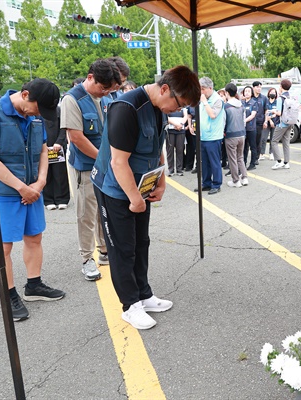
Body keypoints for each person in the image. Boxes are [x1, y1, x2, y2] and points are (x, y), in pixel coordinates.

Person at [91, 65, 201, 330]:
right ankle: (130, 305)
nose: (175, 111)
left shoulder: (157, 106)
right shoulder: (126, 108)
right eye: (178, 104)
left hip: (141, 186)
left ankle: (144, 293)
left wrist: (161, 182)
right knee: (122, 248)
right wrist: (134, 198)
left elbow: (157, 147)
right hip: (115, 189)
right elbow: (118, 163)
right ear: (165, 89)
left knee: (142, 242)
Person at [0, 78, 65, 321]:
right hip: (4, 192)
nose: (39, 114)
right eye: (39, 107)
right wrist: (22, 187)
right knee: (3, 246)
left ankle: (34, 285)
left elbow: (42, 150)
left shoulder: (35, 116)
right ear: (25, 94)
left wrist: (40, 183)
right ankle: (8, 295)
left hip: (32, 189)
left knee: (34, 237)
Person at [60, 58, 122, 281]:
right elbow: (76, 138)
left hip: (106, 165)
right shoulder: (72, 99)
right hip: (86, 166)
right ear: (90, 78)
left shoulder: (105, 97)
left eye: (109, 89)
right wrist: (103, 159)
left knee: (103, 209)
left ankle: (104, 250)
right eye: (102, 87)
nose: (106, 92)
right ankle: (87, 258)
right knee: (86, 213)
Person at [194, 77, 225, 195]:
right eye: (200, 89)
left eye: (203, 89)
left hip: (213, 137)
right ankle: (206, 183)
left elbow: (212, 115)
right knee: (204, 162)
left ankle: (217, 184)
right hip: (203, 136)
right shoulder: (202, 100)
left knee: (214, 162)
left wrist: (205, 102)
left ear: (210, 88)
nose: (201, 92)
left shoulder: (217, 100)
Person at [43, 104, 70, 210]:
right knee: (46, 173)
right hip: (43, 148)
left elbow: (64, 128)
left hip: (57, 147)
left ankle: (62, 199)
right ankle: (48, 199)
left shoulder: (58, 110)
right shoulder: (36, 110)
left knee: (60, 173)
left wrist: (59, 142)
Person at [223, 83, 248, 188]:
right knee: (240, 157)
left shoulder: (226, 106)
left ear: (227, 93)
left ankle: (236, 180)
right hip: (242, 134)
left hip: (230, 135)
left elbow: (223, 122)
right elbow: (244, 121)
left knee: (232, 158)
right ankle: (245, 177)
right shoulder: (241, 105)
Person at [270, 79, 293, 170]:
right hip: (290, 122)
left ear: (281, 87)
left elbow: (279, 113)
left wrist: (273, 111)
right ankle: (286, 162)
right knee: (286, 142)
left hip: (281, 123)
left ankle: (278, 161)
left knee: (274, 141)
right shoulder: (290, 97)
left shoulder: (280, 98)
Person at [164, 107, 191, 177]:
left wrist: (181, 124)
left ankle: (179, 169)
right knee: (170, 151)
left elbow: (186, 116)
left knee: (180, 150)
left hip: (181, 131)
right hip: (170, 131)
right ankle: (171, 169)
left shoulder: (183, 107)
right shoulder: (169, 105)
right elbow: (166, 117)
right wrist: (176, 124)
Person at [241, 86, 258, 170]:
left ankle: (253, 163)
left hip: (251, 128)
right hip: (243, 129)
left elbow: (253, 115)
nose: (247, 92)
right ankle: (243, 163)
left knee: (252, 146)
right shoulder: (242, 103)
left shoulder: (254, 103)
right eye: (245, 91)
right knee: (244, 147)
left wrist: (244, 121)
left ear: (251, 93)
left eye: (249, 91)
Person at [259, 87, 278, 160]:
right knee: (263, 138)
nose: (272, 94)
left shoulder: (277, 102)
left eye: (274, 92)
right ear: (269, 93)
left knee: (273, 139)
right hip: (266, 122)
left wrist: (272, 116)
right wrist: (269, 120)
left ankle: (271, 153)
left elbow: (277, 112)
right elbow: (265, 112)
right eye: (271, 92)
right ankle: (262, 153)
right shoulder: (266, 101)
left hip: (275, 122)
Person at [252, 81, 268, 162]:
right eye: (257, 87)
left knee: (258, 141)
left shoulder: (264, 98)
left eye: (260, 87)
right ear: (253, 88)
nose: (259, 89)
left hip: (259, 122)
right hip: (250, 123)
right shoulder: (250, 97)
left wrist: (265, 121)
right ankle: (252, 156)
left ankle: (256, 158)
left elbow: (266, 111)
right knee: (251, 141)